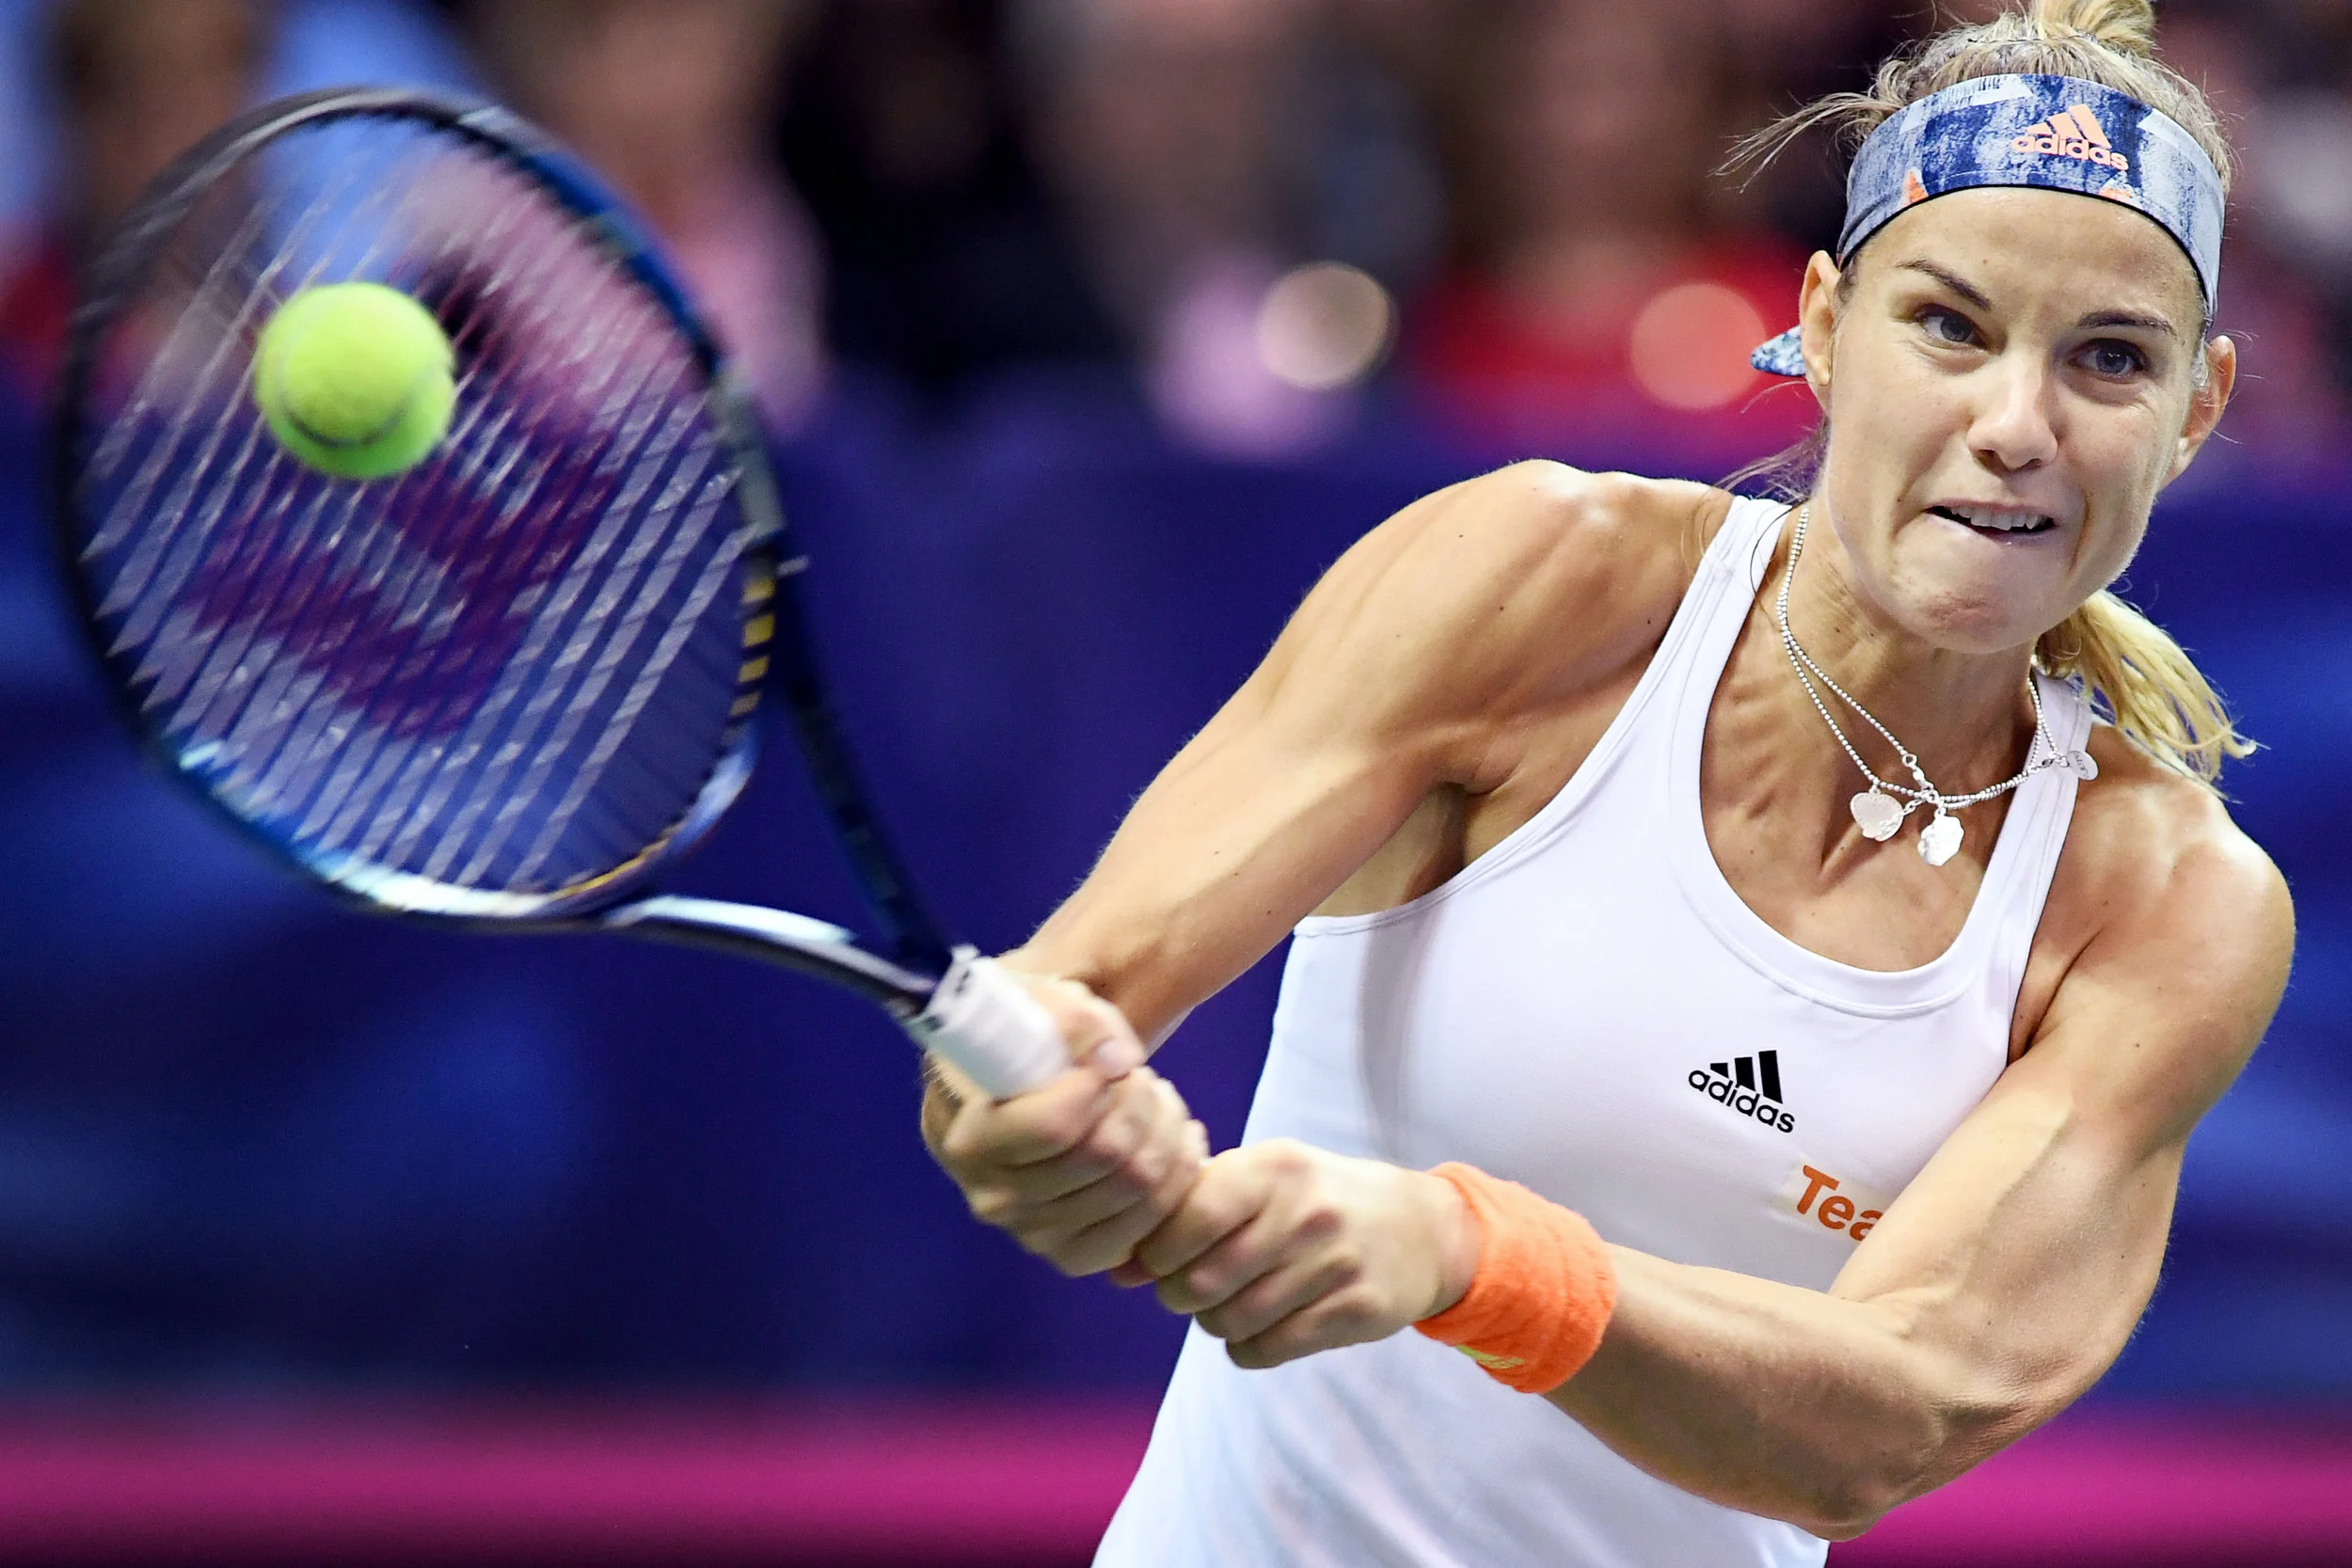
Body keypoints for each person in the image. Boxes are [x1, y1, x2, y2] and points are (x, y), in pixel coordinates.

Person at [919, 2, 2294, 1562]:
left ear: (2198, 408)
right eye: (1950, 327)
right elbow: (1059, 1009)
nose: (2014, 427)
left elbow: (1900, 1403)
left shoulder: (2170, 905)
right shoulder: (1536, 580)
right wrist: (1030, 1116)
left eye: (2109, 359)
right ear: (1826, 325)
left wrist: (1474, 1256)